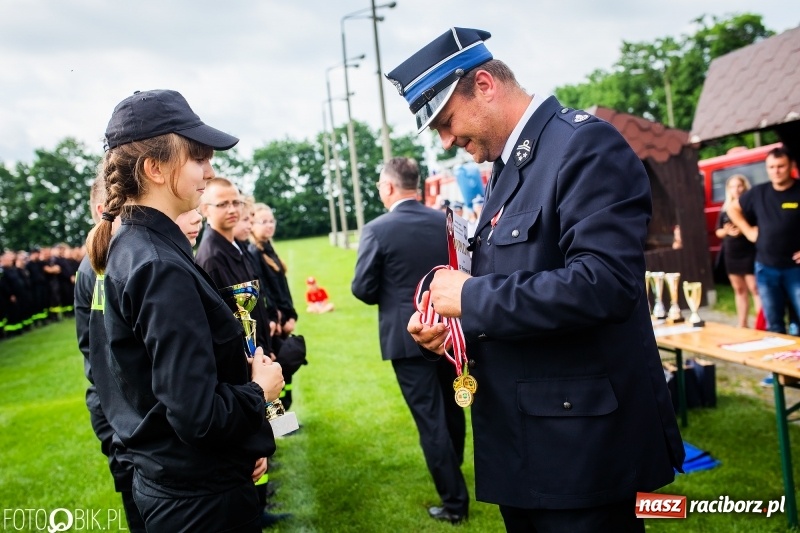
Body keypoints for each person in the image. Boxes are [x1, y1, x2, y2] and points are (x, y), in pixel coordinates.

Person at [387, 28, 684, 531]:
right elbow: (518, 278)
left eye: (445, 121)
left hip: (581, 448)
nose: (447, 141)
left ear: (484, 85)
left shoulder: (582, 145)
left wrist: (471, 295)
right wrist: (454, 330)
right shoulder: (511, 164)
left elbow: (604, 283)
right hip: (526, 441)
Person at [84, 89, 284, 532]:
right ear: (154, 168)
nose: (209, 171)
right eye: (197, 158)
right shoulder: (157, 264)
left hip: (178, 483)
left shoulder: (134, 249)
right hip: (198, 502)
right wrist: (260, 392)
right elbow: (198, 415)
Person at [352, 156, 469, 524]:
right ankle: (454, 471)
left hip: (407, 336)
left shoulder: (377, 229)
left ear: (388, 187)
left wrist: (393, 298)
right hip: (450, 332)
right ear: (415, 185)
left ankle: (454, 504)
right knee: (451, 410)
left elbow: (362, 287)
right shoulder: (446, 220)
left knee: (430, 419)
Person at [727, 146, 800, 336]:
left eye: (780, 166)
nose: (775, 171)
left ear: (791, 165)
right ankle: (776, 365)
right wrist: (748, 230)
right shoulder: (758, 192)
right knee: (773, 325)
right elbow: (732, 209)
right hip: (766, 268)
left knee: (798, 324)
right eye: (771, 167)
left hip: (796, 269)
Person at [715, 174, 761, 328]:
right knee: (739, 289)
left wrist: (743, 229)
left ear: (745, 186)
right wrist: (727, 231)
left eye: (739, 185)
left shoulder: (751, 207)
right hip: (731, 253)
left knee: (755, 288)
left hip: (749, 251)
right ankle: (742, 324)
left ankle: (761, 323)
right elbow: (718, 232)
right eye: (733, 186)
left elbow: (759, 227)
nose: (737, 189)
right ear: (729, 189)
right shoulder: (725, 209)